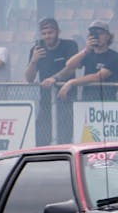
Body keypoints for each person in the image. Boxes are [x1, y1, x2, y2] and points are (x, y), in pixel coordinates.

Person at [53, 20, 118, 142]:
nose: (96, 37)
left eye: (99, 33)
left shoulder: (114, 56)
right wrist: (86, 50)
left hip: (106, 104)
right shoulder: (88, 55)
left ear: (107, 36)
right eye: (93, 34)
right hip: (87, 103)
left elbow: (98, 76)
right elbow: (69, 64)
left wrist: (71, 82)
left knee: (105, 139)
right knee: (87, 139)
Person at [25, 18, 80, 146]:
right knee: (41, 141)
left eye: (50, 32)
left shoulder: (70, 45)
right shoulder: (36, 49)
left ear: (58, 31)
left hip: (66, 99)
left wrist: (54, 78)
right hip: (45, 101)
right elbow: (29, 78)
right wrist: (34, 60)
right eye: (44, 34)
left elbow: (71, 68)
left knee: (64, 140)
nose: (47, 36)